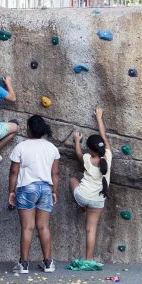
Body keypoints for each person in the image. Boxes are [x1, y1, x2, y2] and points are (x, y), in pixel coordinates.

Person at [8, 115, 60, 274]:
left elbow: (13, 171)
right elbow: (55, 173)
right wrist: (54, 191)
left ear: (29, 129)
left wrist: (11, 191)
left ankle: (23, 264)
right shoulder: (52, 148)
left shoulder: (21, 147)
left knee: (27, 227)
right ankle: (48, 263)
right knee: (43, 226)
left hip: (27, 188)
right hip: (45, 189)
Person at [70, 107, 112, 265]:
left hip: (83, 196)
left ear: (90, 149)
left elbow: (78, 154)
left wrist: (76, 141)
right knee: (91, 230)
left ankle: (80, 205)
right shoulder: (108, 156)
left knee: (73, 180)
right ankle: (88, 260)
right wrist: (99, 118)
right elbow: (103, 136)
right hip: (97, 201)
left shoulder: (87, 158)